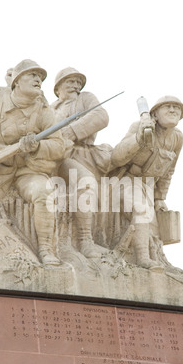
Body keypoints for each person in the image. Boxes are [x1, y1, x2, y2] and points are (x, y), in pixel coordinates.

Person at [0, 59, 65, 281]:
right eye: (32, 75)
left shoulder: (44, 108)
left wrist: (37, 146)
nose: (38, 80)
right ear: (16, 82)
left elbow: (58, 145)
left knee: (43, 192)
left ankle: (47, 250)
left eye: (41, 77)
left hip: (28, 168)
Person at [110, 96, 183, 269]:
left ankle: (152, 259)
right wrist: (139, 139)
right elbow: (116, 157)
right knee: (141, 209)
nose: (173, 110)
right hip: (127, 181)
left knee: (153, 228)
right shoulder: (139, 126)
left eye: (177, 108)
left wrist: (160, 198)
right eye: (167, 107)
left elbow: (168, 171)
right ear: (155, 115)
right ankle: (143, 259)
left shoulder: (177, 139)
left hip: (148, 187)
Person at [51, 67, 111, 258]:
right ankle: (80, 241)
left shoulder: (86, 98)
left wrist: (71, 131)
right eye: (70, 81)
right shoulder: (49, 108)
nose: (76, 86)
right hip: (57, 157)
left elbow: (101, 116)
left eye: (78, 82)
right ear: (58, 86)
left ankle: (86, 241)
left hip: (82, 154)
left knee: (89, 181)